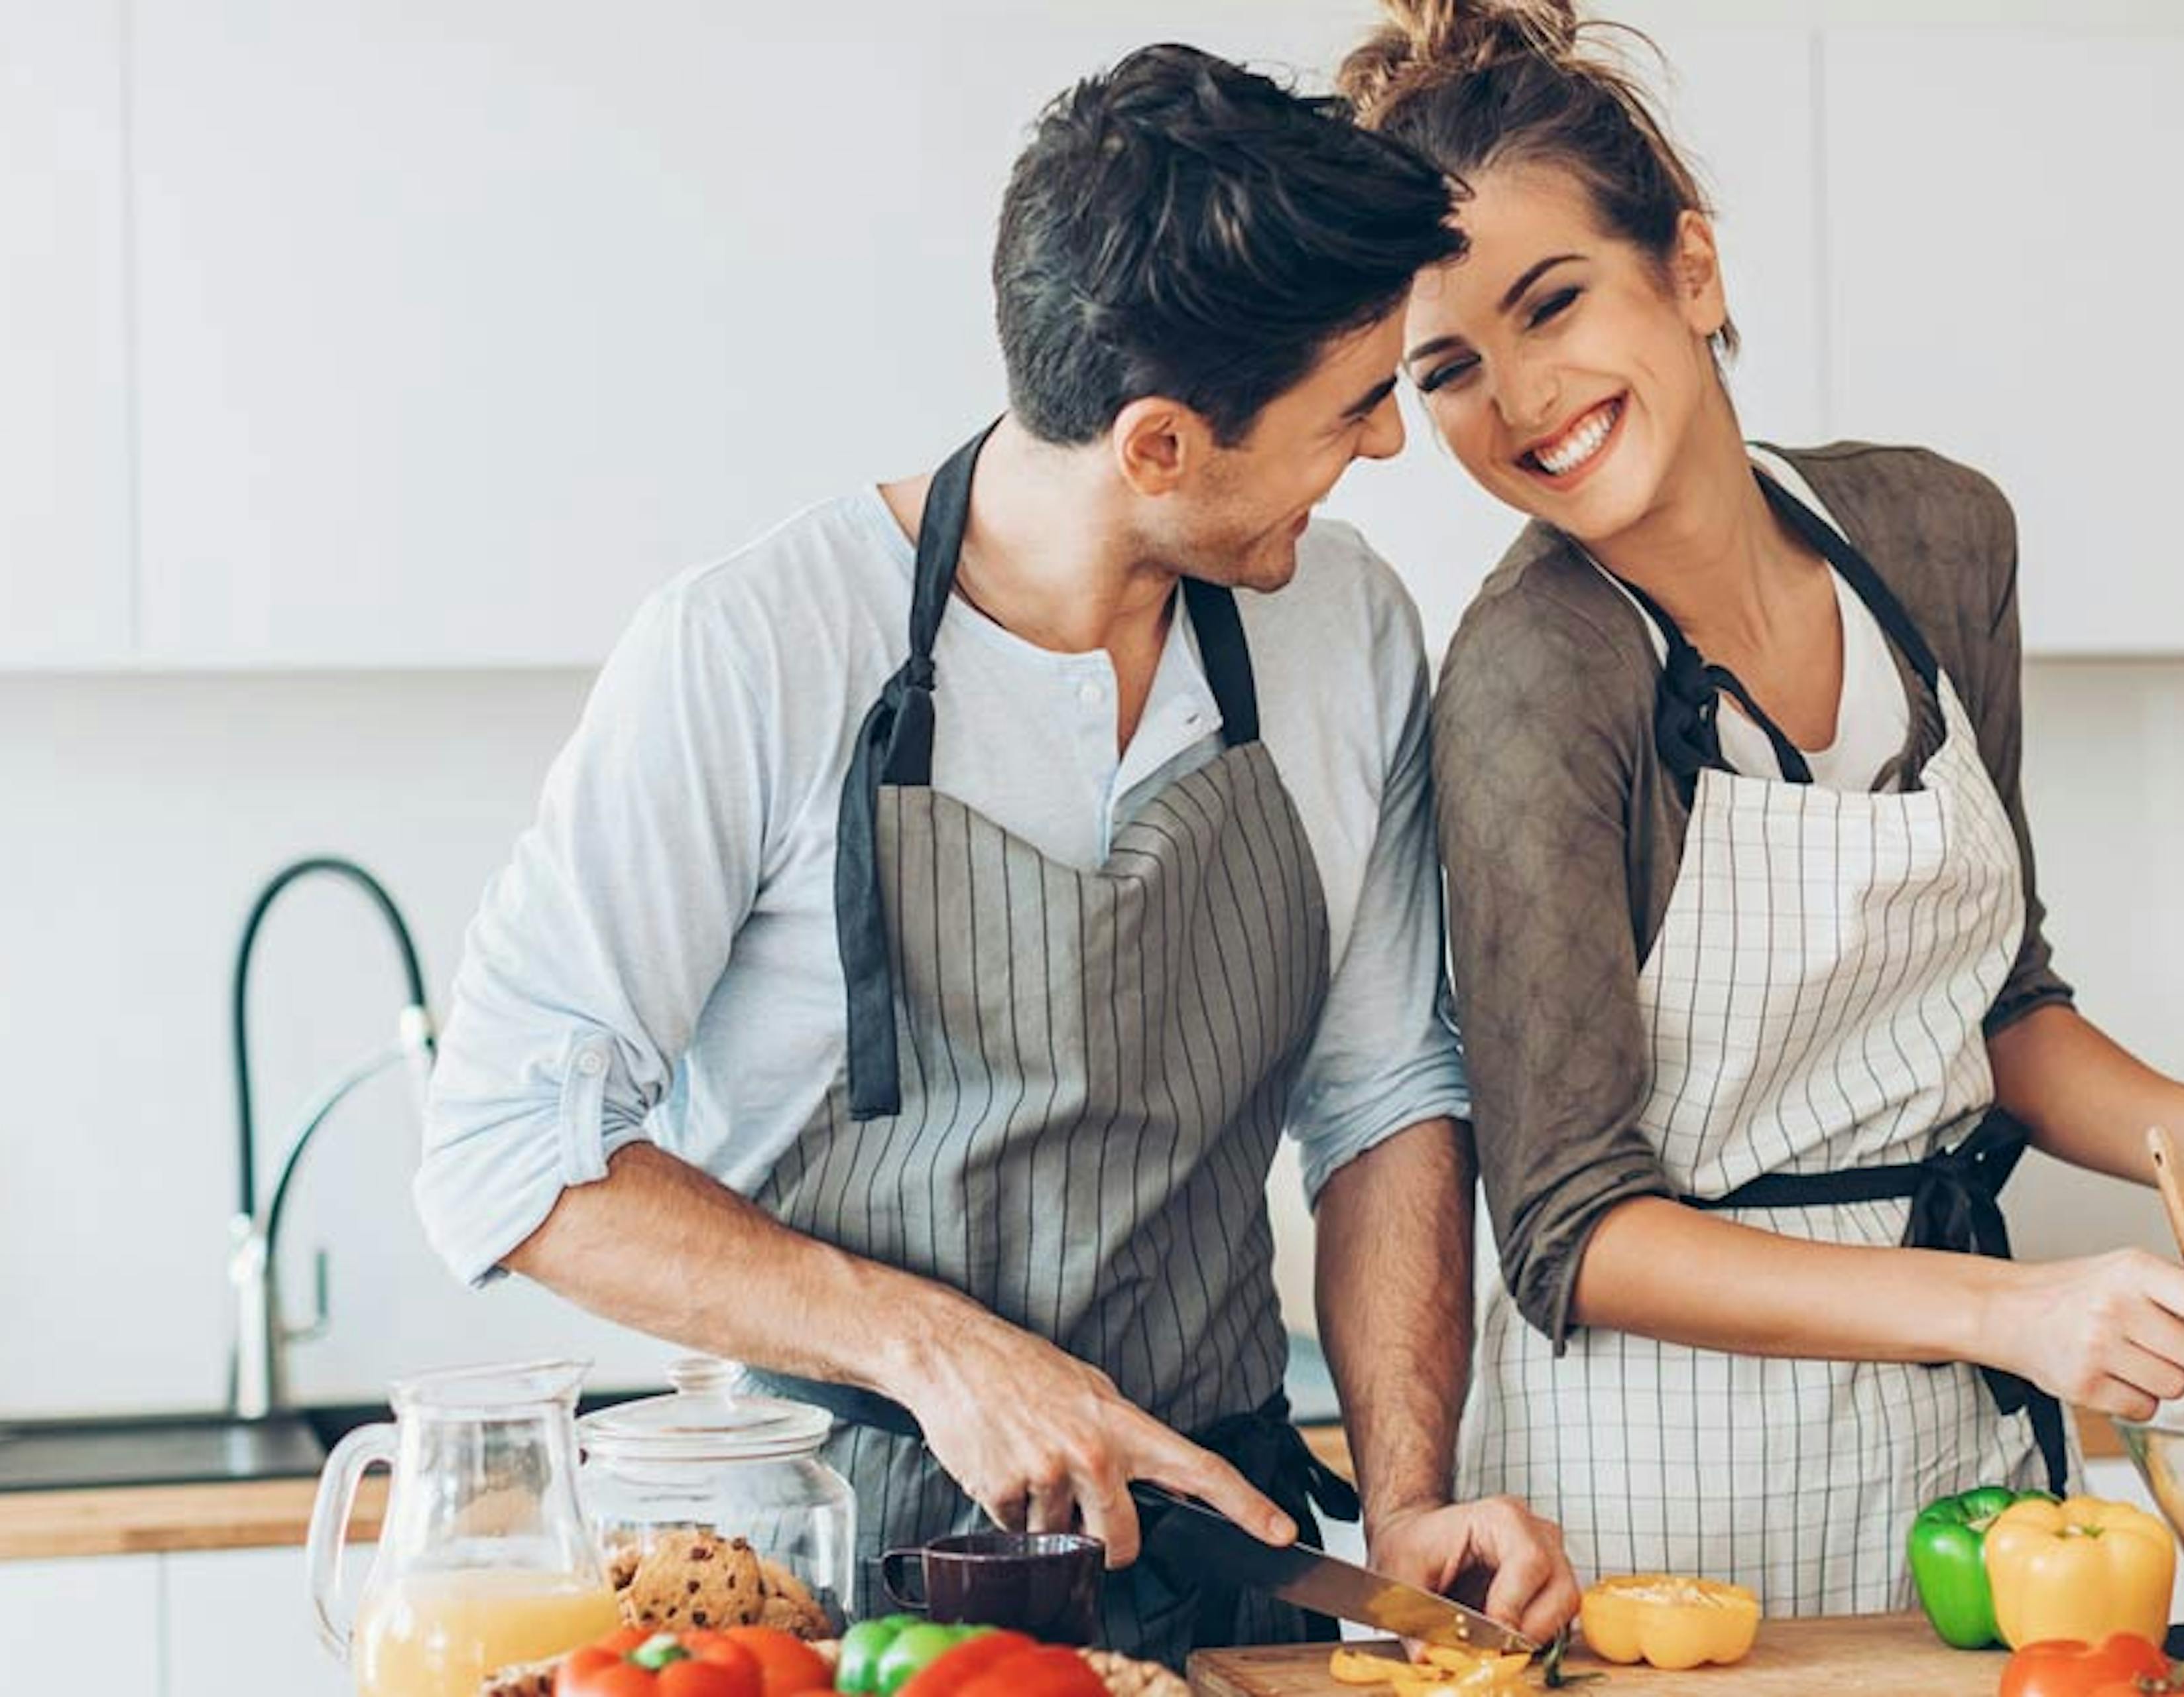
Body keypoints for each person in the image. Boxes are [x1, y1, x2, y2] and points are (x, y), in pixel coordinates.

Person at [417, 42, 1576, 1665]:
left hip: (1216, 1565)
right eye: (1350, 407)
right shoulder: (753, 652)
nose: (1385, 446)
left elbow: (1384, 1098)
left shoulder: (1346, 627)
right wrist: (939, 1350)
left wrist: (1400, 1509)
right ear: (1159, 444)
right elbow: (504, 1145)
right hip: (822, 1587)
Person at [1340, 0, 2184, 1616]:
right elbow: (1570, 1229)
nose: (1519, 399)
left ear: (1693, 269)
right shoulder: (1534, 680)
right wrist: (2003, 1311)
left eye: (1555, 303)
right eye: (1449, 370)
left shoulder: (1937, 539)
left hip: (1961, 1460)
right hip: (1651, 1496)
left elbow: (1995, 1002)